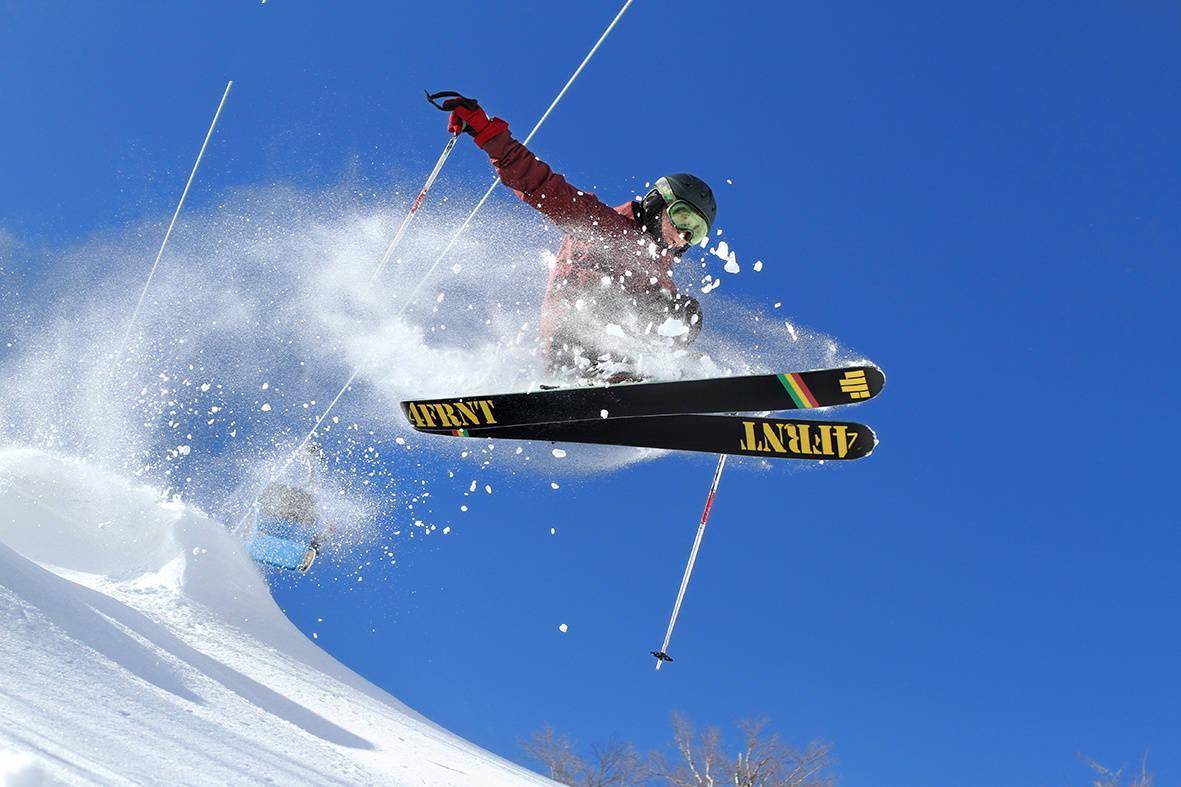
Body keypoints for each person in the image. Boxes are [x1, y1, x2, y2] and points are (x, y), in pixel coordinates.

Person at [442, 94, 716, 381]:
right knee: (618, 304)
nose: (684, 235)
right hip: (571, 344)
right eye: (684, 218)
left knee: (684, 313)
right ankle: (613, 377)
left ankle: (679, 393)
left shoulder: (657, 275)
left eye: (695, 232)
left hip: (620, 357)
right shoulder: (603, 225)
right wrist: (488, 134)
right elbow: (542, 187)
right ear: (657, 203)